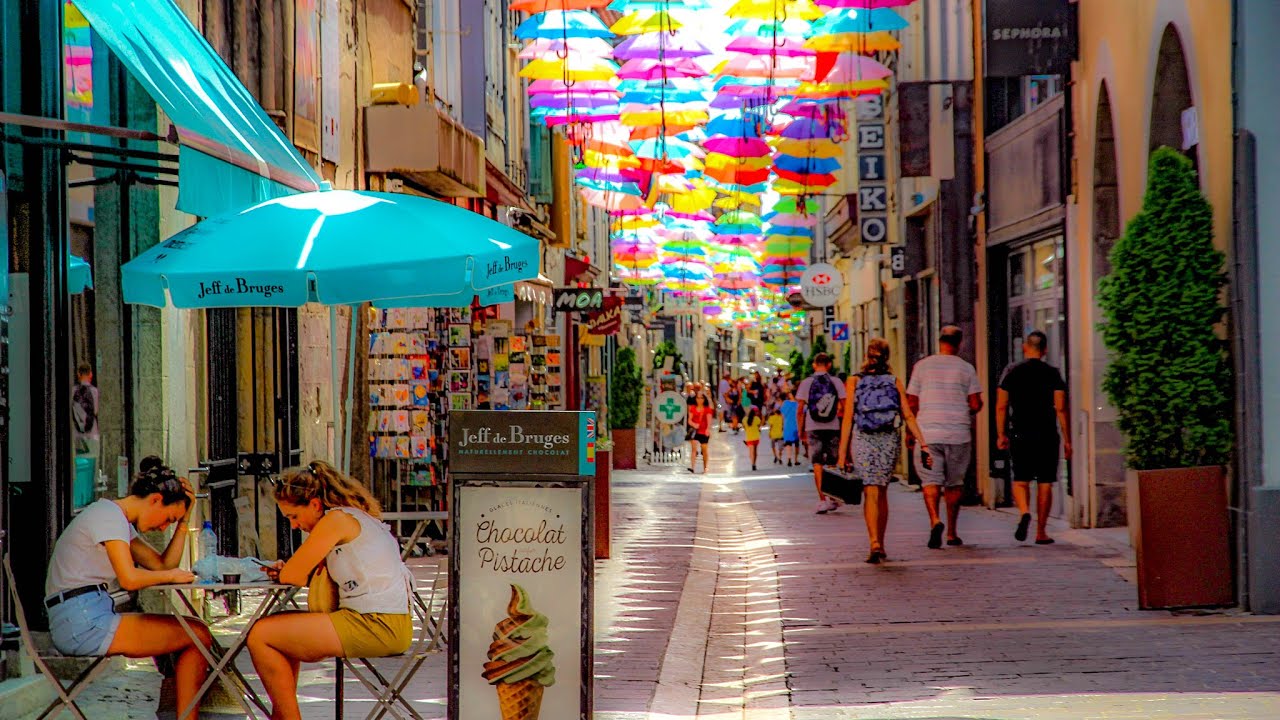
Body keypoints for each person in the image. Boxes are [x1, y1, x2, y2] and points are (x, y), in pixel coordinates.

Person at [44, 457, 211, 720]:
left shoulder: (115, 518)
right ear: (155, 499)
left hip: (85, 614)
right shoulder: (108, 517)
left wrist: (183, 521)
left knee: (195, 631)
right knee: (197, 634)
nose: (163, 527)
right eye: (168, 518)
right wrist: (173, 575)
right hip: (82, 621)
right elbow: (129, 579)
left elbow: (162, 564)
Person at [249, 461, 414, 720]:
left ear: (314, 504)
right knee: (277, 630)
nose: (294, 526)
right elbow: (300, 571)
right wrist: (291, 569)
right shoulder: (351, 516)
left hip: (376, 624)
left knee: (260, 634)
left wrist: (287, 570)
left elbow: (293, 574)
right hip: (388, 622)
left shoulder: (335, 520)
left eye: (293, 516)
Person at [838, 339, 929, 564]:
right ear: (887, 357)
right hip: (889, 437)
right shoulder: (894, 381)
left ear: (866, 355)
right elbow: (907, 415)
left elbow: (848, 419)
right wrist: (923, 443)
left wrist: (842, 454)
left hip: (863, 438)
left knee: (870, 490)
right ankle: (882, 542)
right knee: (882, 489)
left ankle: (874, 542)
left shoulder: (854, 381)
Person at [907, 325, 984, 548]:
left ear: (939, 341)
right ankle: (951, 532)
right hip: (958, 433)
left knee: (930, 481)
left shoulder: (921, 366)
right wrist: (967, 410)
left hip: (927, 434)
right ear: (959, 343)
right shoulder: (967, 368)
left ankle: (935, 520)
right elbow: (975, 403)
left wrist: (910, 434)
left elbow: (911, 402)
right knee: (954, 483)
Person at [996, 331, 1071, 545]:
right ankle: (1041, 532)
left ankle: (1024, 512)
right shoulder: (1053, 373)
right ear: (1045, 350)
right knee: (1045, 482)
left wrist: (1001, 434)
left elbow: (1001, 405)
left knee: (1021, 480)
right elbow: (1061, 408)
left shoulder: (1012, 371)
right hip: (1047, 433)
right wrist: (1067, 439)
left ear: (1025, 348)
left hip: (1019, 431)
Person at [796, 353, 847, 514]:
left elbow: (800, 410)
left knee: (817, 463)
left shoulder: (807, 382)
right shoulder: (836, 381)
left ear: (814, 365)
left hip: (813, 427)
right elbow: (845, 406)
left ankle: (822, 500)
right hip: (833, 426)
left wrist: (800, 430)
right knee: (832, 463)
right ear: (829, 365)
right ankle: (833, 497)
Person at [72, 362, 101, 464]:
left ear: (78, 374)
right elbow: (95, 411)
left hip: (77, 435)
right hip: (92, 433)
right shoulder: (94, 391)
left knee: (78, 464)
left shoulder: (73, 391)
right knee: (92, 464)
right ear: (90, 374)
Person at [687, 393, 714, 473]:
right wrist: (694, 424)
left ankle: (705, 467)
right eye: (698, 398)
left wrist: (707, 429)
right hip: (695, 431)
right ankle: (692, 467)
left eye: (701, 398)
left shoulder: (707, 409)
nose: (699, 400)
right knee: (694, 449)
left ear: (704, 399)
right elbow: (689, 420)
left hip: (703, 431)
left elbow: (709, 421)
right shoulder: (692, 408)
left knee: (704, 449)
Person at [780, 391, 800, 466]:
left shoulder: (786, 403)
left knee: (788, 443)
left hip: (787, 425)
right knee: (797, 443)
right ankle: (796, 459)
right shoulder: (799, 404)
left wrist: (782, 425)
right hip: (796, 425)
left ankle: (789, 459)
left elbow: (782, 415)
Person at [743, 404, 763, 471]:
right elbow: (759, 427)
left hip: (749, 438)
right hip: (756, 437)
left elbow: (745, 428)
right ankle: (754, 464)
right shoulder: (757, 419)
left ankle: (752, 464)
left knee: (751, 452)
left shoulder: (744, 419)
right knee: (755, 452)